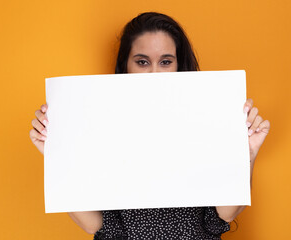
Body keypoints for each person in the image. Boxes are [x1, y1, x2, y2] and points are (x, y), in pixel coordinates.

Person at [29, 12, 270, 240]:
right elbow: (95, 225)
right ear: (125, 66)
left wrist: (246, 154)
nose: (155, 73)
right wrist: (56, 157)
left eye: (165, 61)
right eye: (142, 62)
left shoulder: (207, 117)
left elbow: (224, 215)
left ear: (178, 65)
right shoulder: (98, 121)